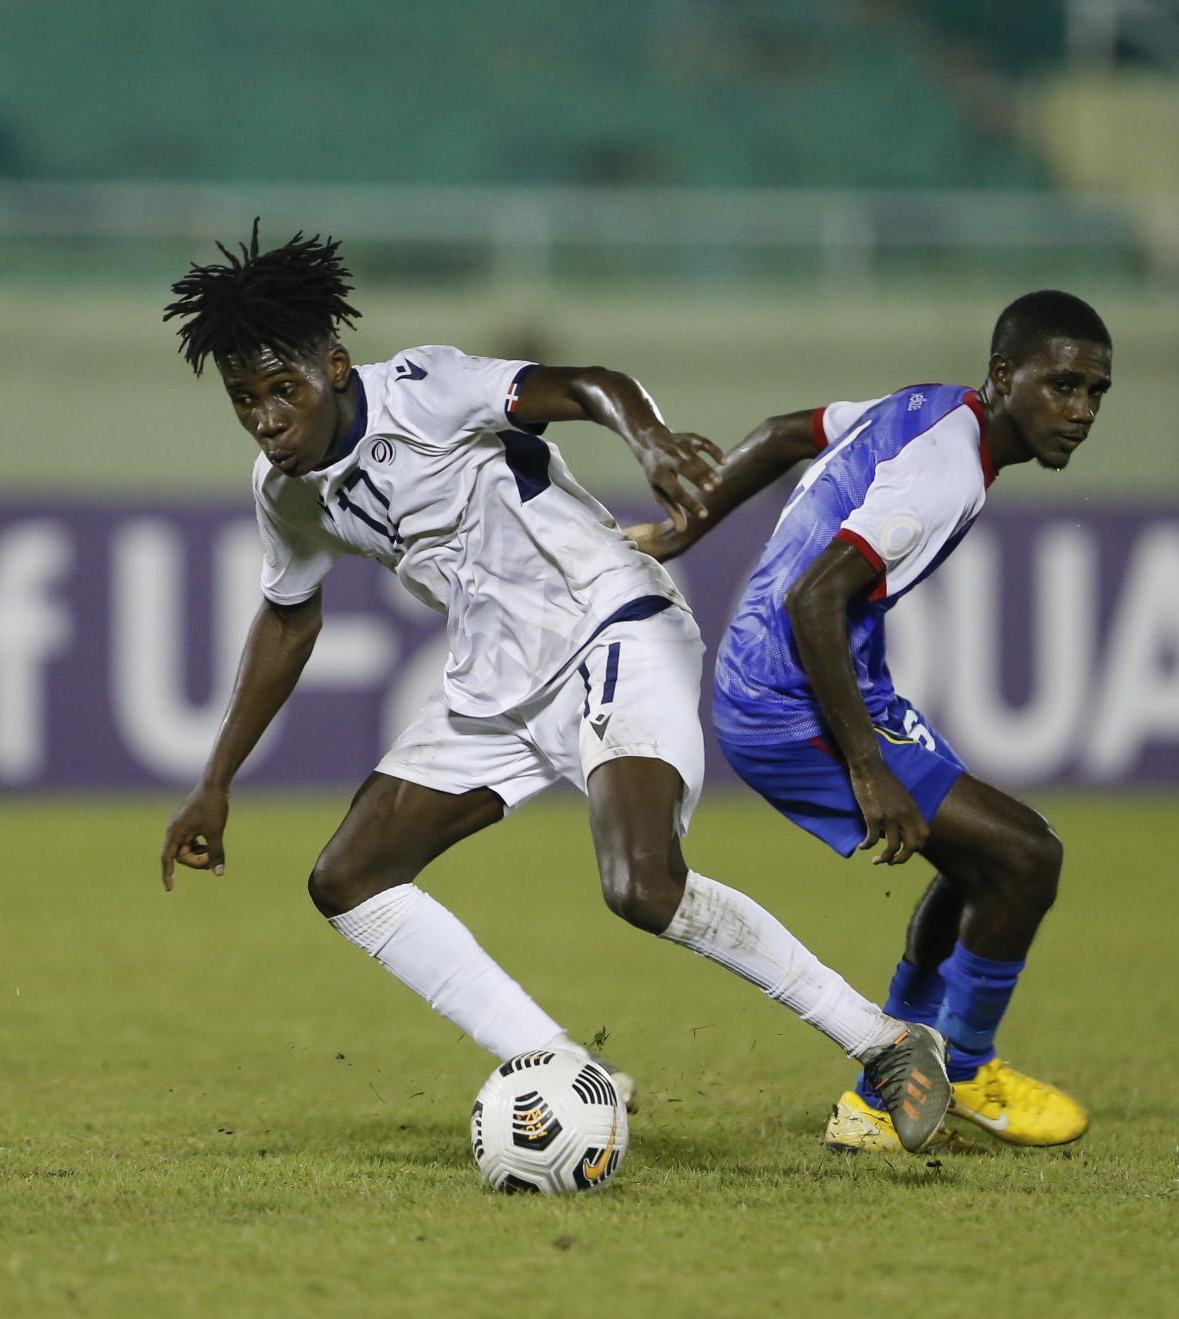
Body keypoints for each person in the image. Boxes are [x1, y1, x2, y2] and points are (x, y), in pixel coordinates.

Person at [155, 223, 952, 1154]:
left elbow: (585, 385)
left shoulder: (424, 388)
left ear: (333, 368)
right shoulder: (285, 490)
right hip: (495, 686)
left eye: (282, 390)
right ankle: (563, 1065)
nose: (266, 418)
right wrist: (215, 780)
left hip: (612, 625)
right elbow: (289, 619)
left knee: (642, 884)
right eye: (245, 400)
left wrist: (650, 442)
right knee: (349, 878)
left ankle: (886, 1042)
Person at [627, 290, 1111, 1152]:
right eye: (1063, 386)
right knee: (1027, 855)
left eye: (1095, 393)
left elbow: (785, 433)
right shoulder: (947, 470)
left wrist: (680, 532)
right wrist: (867, 766)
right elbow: (816, 597)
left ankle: (885, 1097)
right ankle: (961, 1070)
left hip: (820, 682)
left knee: (982, 863)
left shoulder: (930, 407)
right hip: (786, 702)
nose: (1081, 412)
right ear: (1004, 375)